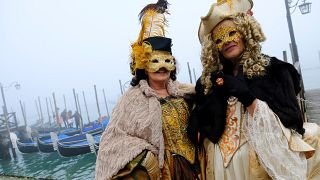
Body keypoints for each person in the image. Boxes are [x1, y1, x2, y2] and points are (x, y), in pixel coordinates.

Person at [187, 0, 320, 179]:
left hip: (259, 164)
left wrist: (248, 98)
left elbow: (291, 120)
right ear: (214, 47)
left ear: (245, 31)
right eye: (219, 39)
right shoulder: (208, 83)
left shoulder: (274, 70)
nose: (226, 41)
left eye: (232, 33)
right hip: (219, 166)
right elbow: (204, 122)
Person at [95, 1, 200, 179]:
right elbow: (112, 140)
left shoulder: (186, 92)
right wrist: (146, 155)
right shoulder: (131, 101)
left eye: (167, 61)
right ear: (144, 66)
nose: (162, 67)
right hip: (163, 172)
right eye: (155, 61)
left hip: (198, 167)